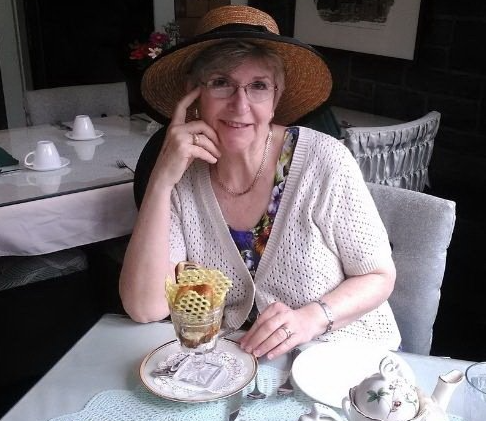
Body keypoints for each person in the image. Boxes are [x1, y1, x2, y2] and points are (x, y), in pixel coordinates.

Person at [120, 5, 401, 360]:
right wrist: (161, 180)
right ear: (193, 96)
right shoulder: (183, 177)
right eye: (221, 83)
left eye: (258, 86)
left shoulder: (325, 161)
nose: (240, 105)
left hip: (344, 361)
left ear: (275, 98)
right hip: (239, 368)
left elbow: (378, 276)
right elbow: (145, 307)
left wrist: (312, 319)